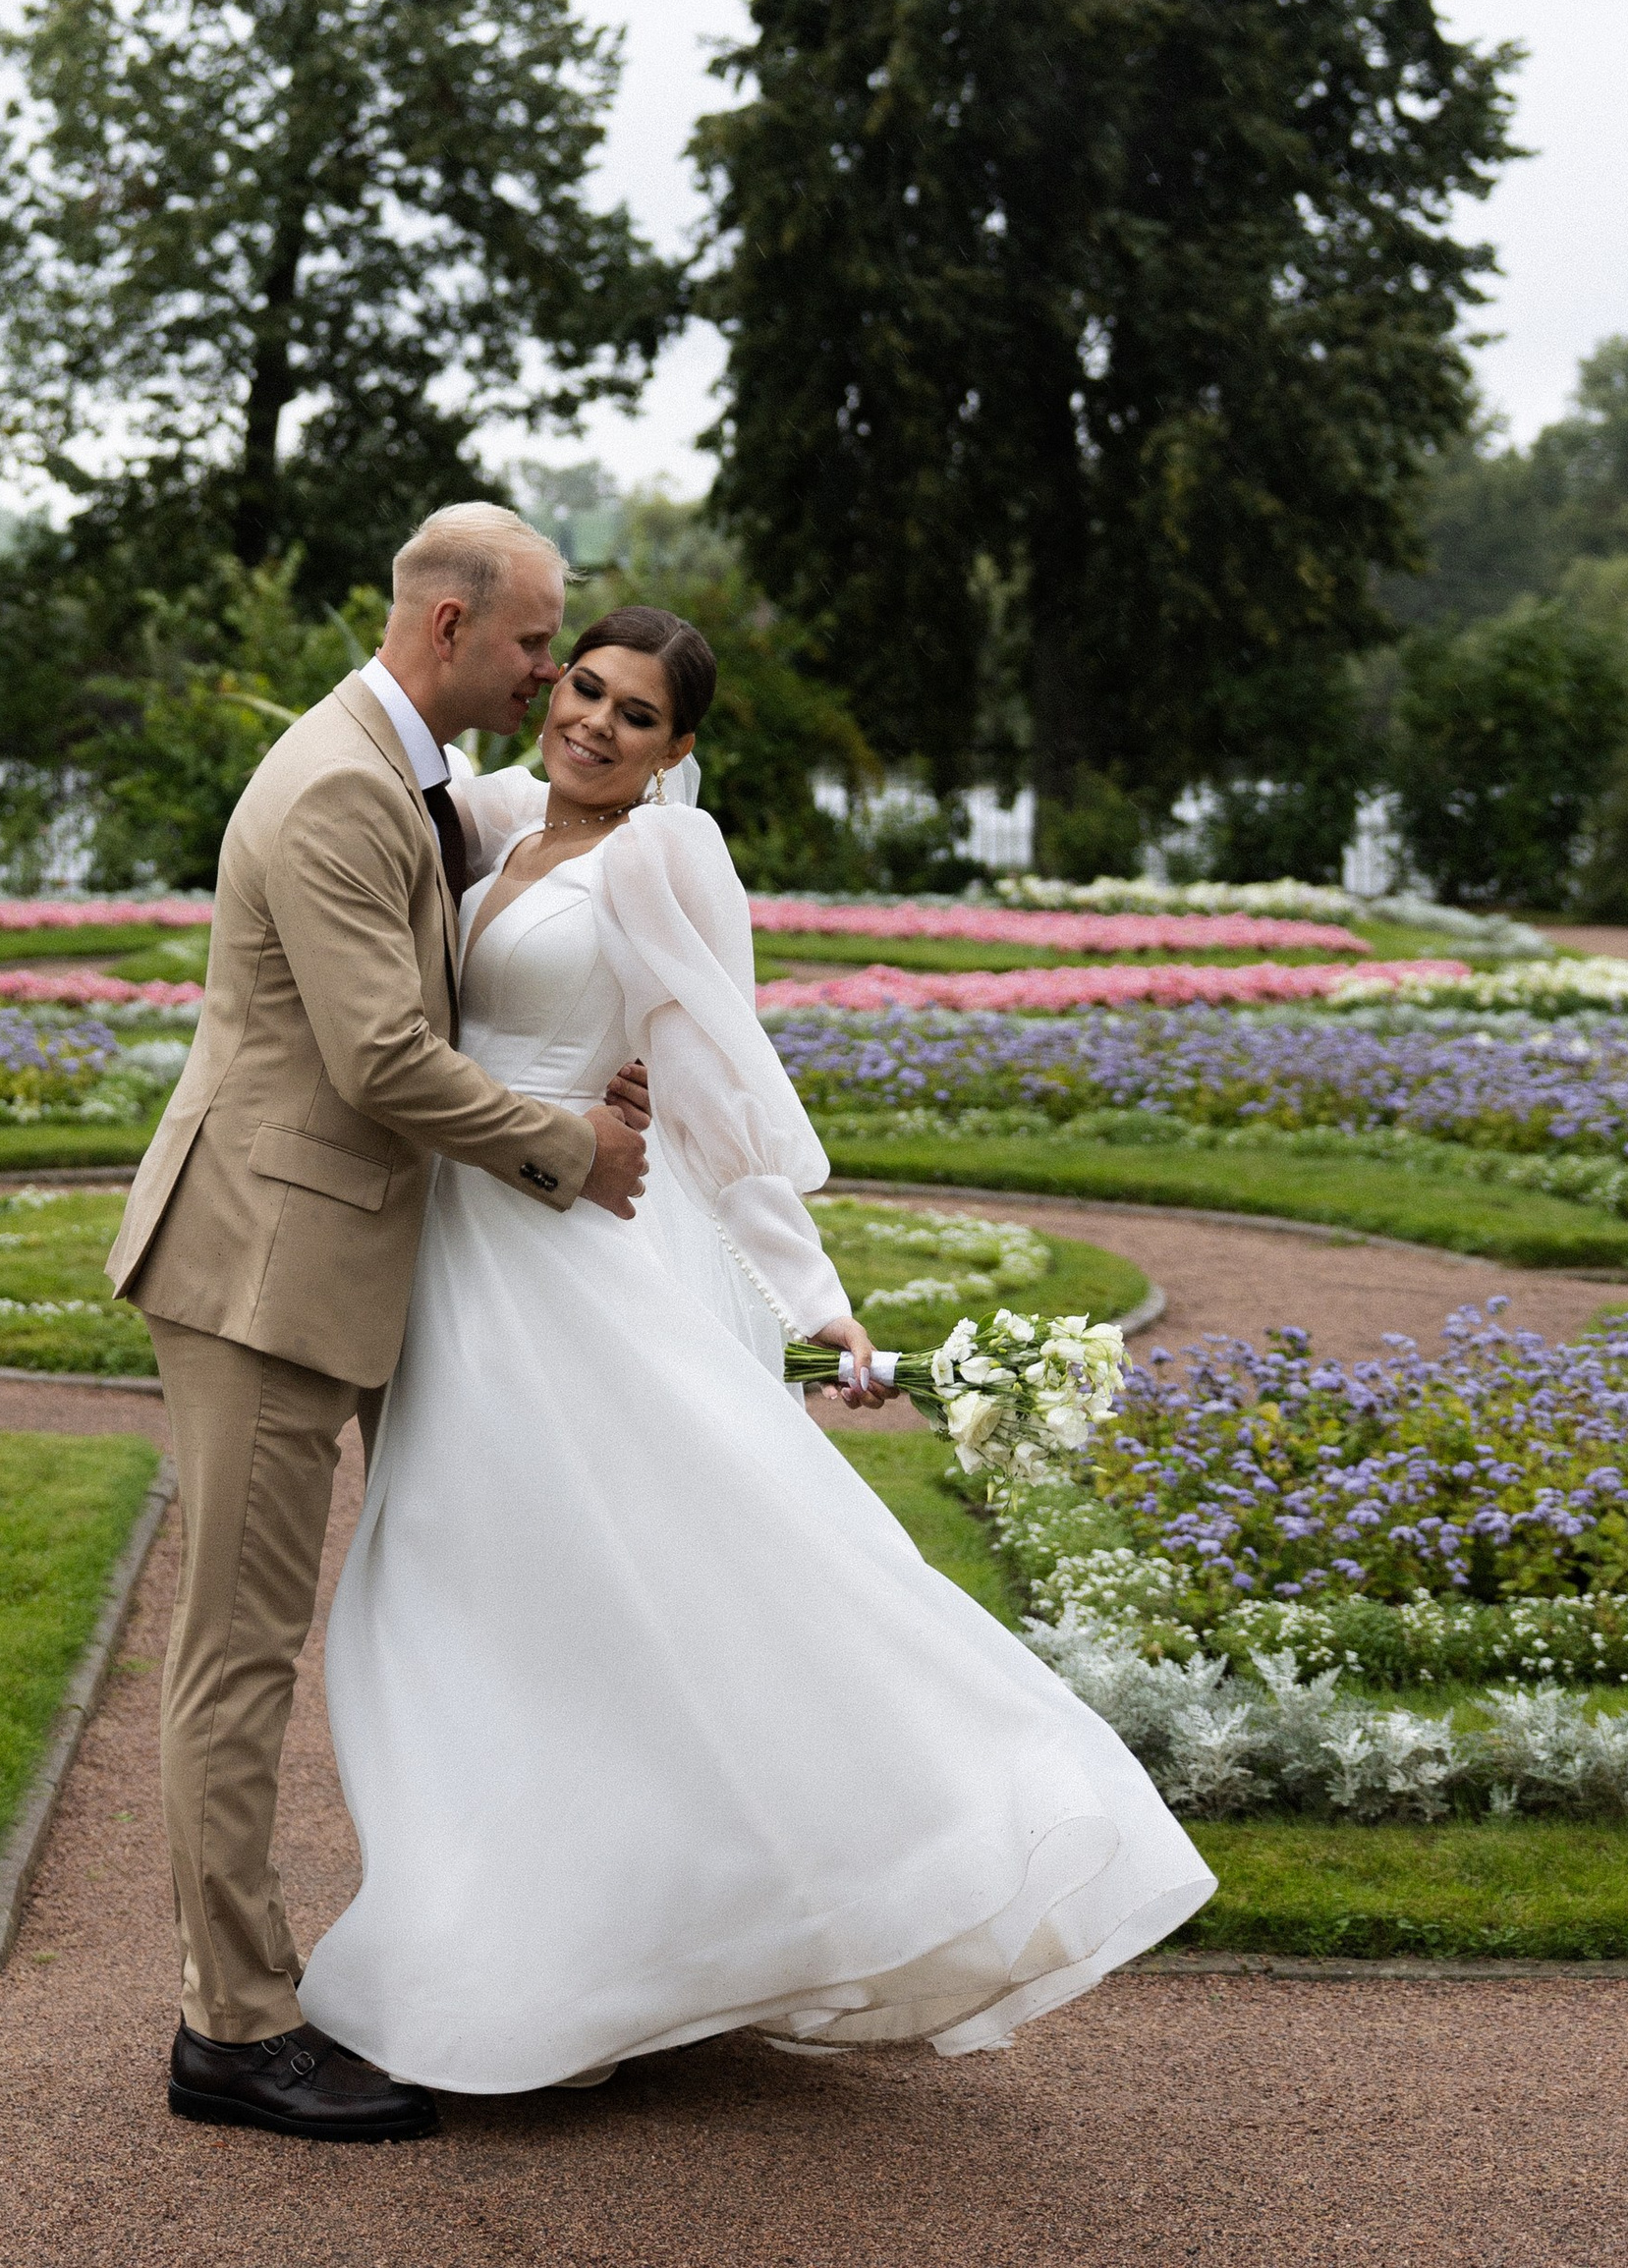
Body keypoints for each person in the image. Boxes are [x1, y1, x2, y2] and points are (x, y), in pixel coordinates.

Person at [294, 603, 1217, 2093]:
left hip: (563, 1260)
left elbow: (722, 1085)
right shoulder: (496, 819)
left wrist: (812, 1294)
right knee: (468, 1595)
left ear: (681, 749)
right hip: (453, 1251)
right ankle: (548, 1934)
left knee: (579, 1588)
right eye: (583, 686)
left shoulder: (662, 856)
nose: (594, 720)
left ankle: (610, 1949)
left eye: (636, 713)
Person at [105, 502, 654, 2144]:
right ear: (448, 629)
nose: (552, 671)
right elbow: (381, 1064)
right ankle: (237, 2029)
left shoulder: (404, 764)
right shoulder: (342, 781)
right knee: (235, 1657)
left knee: (406, 1617)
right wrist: (572, 1147)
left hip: (336, 1254)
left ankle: (481, 1961)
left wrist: (582, 1075)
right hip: (265, 1273)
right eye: (537, 642)